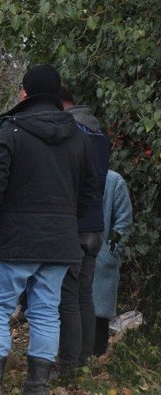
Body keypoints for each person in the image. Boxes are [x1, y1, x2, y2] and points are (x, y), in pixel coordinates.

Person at [0, 64, 95, 395]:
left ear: (26, 93)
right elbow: (91, 191)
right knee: (47, 311)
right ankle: (37, 388)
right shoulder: (78, 134)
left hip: (14, 238)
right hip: (59, 239)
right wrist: (68, 223)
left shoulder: (12, 130)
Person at [57, 87, 110, 376]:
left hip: (74, 223)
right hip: (95, 224)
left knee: (68, 295)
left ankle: (68, 363)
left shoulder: (71, 131)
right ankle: (84, 358)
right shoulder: (100, 135)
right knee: (84, 294)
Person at [91, 170, 133, 357]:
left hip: (102, 259)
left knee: (99, 315)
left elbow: (123, 222)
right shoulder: (70, 172)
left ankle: (95, 361)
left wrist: (111, 250)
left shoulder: (114, 181)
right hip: (74, 255)